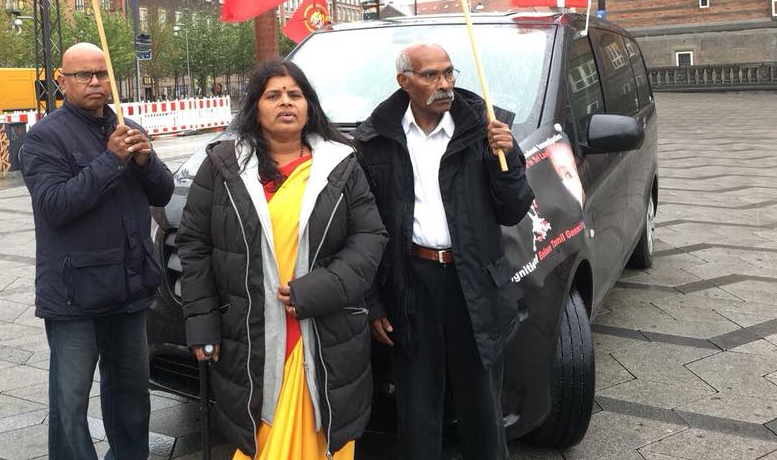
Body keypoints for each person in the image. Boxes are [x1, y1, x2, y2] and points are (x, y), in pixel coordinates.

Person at [177, 59, 387, 460]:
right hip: (251, 332)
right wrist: (202, 322)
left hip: (324, 328)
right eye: (273, 95)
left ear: (309, 106)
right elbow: (195, 245)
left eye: (295, 94)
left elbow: (369, 237)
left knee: (323, 434)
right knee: (263, 440)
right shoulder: (223, 167)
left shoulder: (341, 164)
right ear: (255, 108)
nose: (286, 102)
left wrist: (320, 289)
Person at [354, 42, 534, 460]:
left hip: (473, 283)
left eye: (449, 72)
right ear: (404, 81)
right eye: (431, 75)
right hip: (411, 284)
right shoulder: (377, 139)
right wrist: (374, 302)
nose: (445, 84)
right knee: (417, 411)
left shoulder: (485, 130)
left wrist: (507, 157)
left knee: (482, 408)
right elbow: (365, 229)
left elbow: (513, 210)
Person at [20, 42, 174, 460]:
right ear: (62, 81)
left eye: (102, 74)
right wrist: (111, 160)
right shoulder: (44, 138)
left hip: (129, 286)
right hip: (76, 293)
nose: (95, 82)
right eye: (83, 75)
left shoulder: (127, 125)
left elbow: (163, 193)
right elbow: (56, 206)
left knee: (131, 394)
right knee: (70, 402)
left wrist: (146, 162)